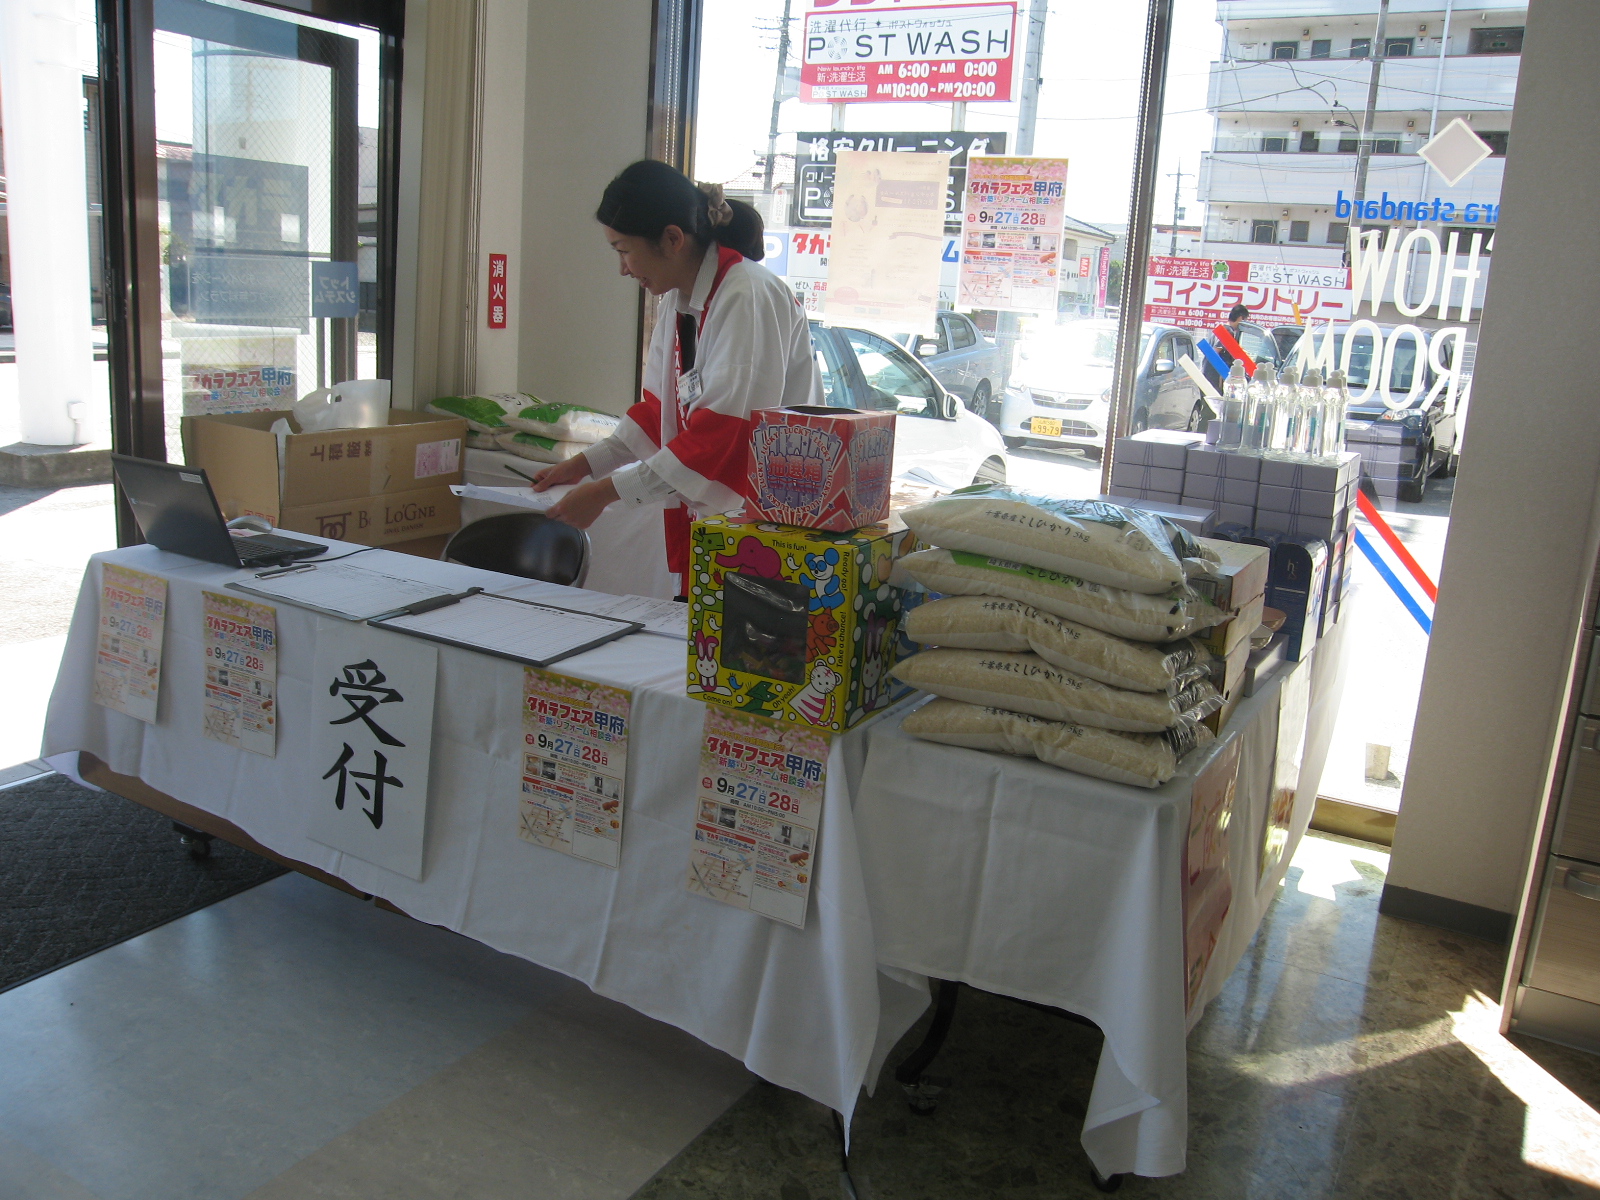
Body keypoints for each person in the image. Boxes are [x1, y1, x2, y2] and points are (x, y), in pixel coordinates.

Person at [532, 159, 821, 590]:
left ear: (672, 239)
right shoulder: (678, 300)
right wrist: (584, 465)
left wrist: (605, 492)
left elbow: (722, 436)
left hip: (770, 519)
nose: (623, 269)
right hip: (722, 520)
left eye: (623, 250)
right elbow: (658, 414)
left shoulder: (746, 294)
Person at [1204, 303, 1251, 390]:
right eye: (1245, 320)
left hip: (1208, 374)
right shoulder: (1228, 331)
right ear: (1240, 318)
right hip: (1215, 377)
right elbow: (1215, 352)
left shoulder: (1222, 328)